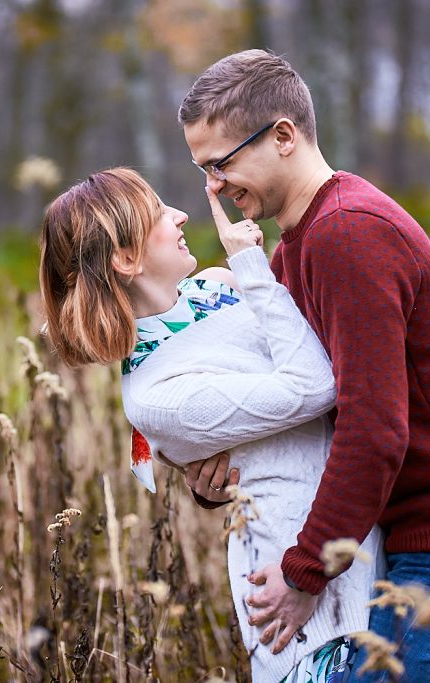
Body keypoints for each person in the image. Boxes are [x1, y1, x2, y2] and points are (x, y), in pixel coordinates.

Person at [177, 49, 430, 681]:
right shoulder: (298, 248)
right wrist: (217, 476)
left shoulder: (349, 234)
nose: (213, 186)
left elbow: (376, 431)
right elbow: (298, 409)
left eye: (220, 163)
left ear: (283, 136)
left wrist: (304, 571)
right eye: (203, 169)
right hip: (405, 534)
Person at [39, 167, 383, 682]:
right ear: (126, 259)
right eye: (159, 214)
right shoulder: (156, 394)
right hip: (303, 604)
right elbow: (314, 386)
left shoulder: (218, 287)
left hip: (364, 546)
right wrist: (249, 262)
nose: (180, 215)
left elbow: (326, 353)